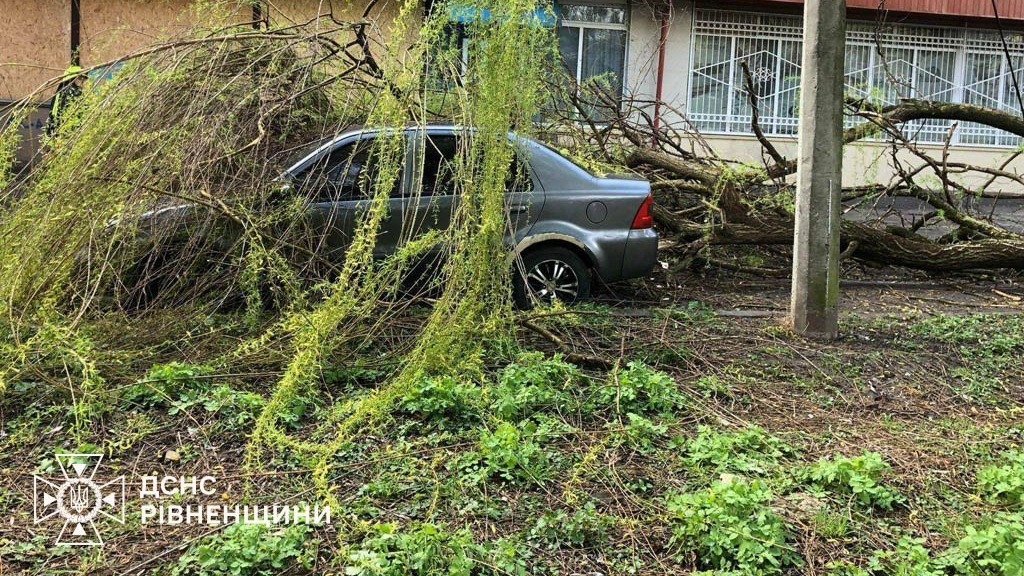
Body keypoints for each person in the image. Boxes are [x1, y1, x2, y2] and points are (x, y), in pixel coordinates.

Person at [46, 65, 84, 136]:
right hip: (66, 129)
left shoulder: (61, 90)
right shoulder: (71, 91)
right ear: (75, 78)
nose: (82, 82)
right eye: (80, 78)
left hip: (59, 128)